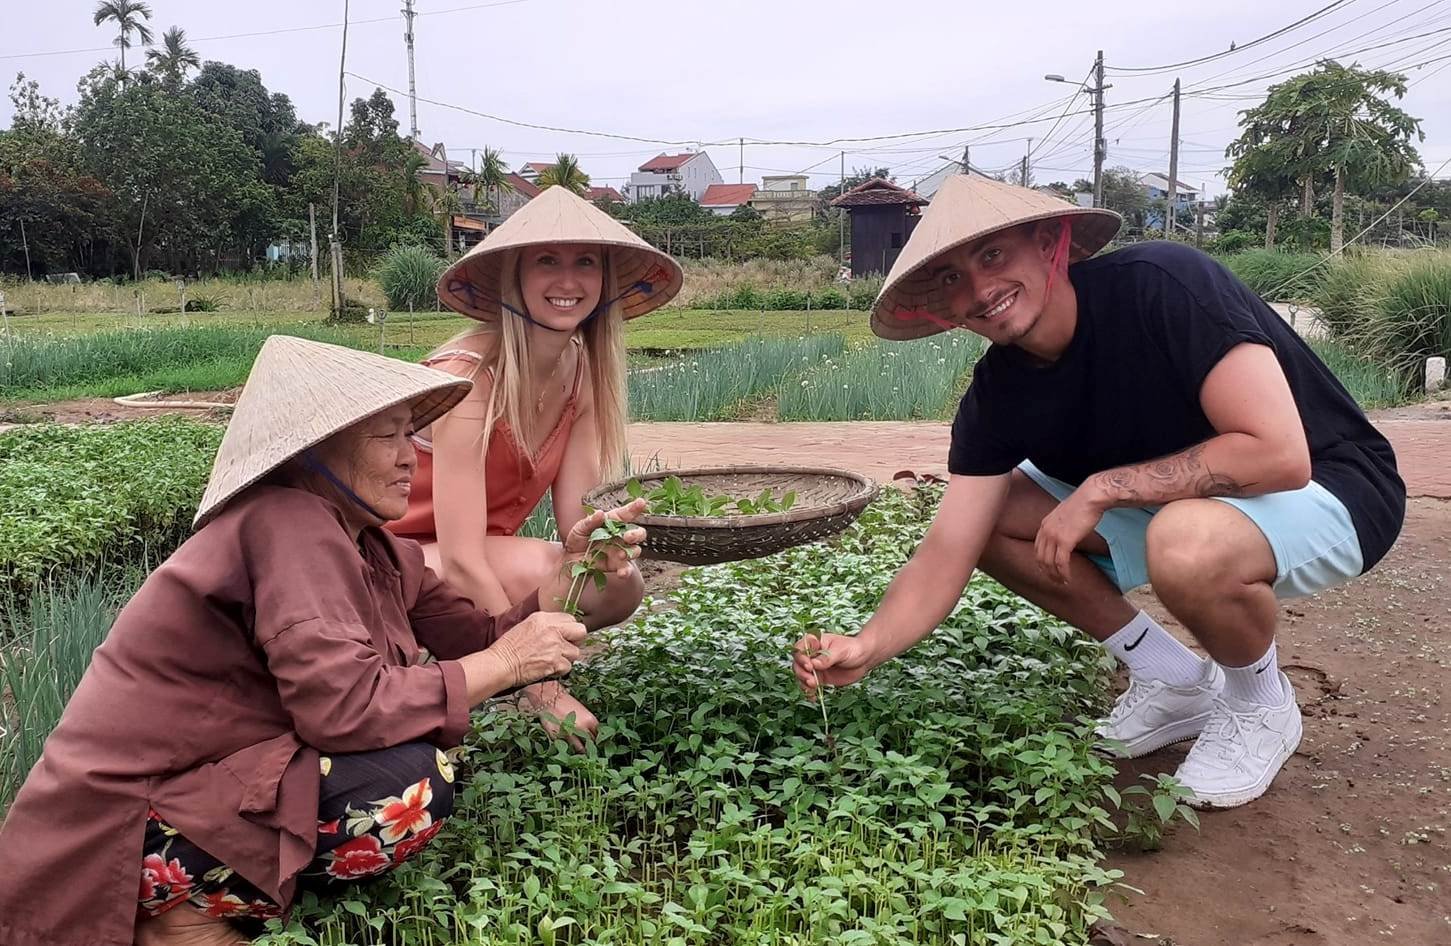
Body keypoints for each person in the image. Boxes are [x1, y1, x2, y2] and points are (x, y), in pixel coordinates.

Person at [0, 335, 647, 946]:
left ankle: (214, 892)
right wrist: (505, 664)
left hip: (208, 791)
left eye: (409, 435)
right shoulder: (287, 523)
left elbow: (475, 636)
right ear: (313, 451)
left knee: (407, 749)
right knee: (409, 782)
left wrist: (571, 578)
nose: (408, 457)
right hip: (125, 826)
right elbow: (345, 707)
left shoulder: (374, 548)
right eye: (385, 436)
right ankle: (179, 908)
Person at [792, 174, 1404, 809]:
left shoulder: (1162, 285)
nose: (980, 289)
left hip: (1334, 488)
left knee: (1185, 544)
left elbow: (1279, 455)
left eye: (992, 255)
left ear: (1049, 242)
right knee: (995, 514)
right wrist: (869, 643)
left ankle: (1258, 701)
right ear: (942, 309)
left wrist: (1103, 488)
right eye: (950, 278)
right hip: (1190, 506)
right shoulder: (997, 395)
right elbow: (949, 547)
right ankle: (1173, 682)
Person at [389, 185, 682, 744]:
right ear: (513, 278)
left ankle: (477, 657)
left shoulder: (580, 369)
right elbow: (461, 556)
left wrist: (631, 535)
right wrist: (540, 685)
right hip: (389, 562)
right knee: (536, 568)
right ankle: (457, 668)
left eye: (585, 263)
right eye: (547, 261)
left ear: (605, 280)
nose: (568, 282)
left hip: (469, 556)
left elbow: (578, 524)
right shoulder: (469, 377)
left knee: (614, 583)